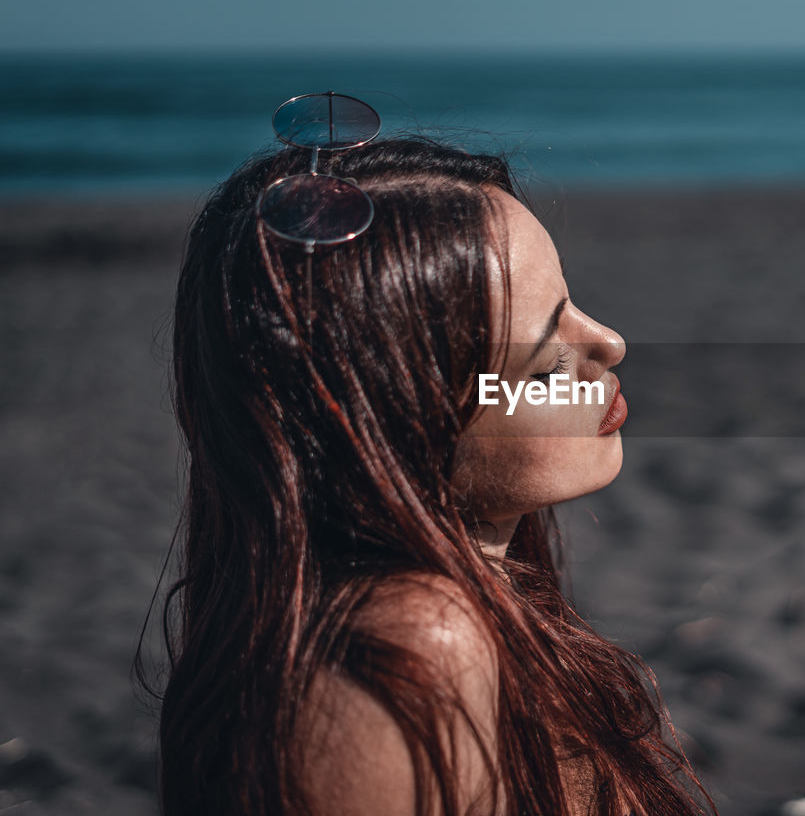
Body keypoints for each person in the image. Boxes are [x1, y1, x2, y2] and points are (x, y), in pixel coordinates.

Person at [150, 103, 717, 815]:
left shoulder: (462, 605)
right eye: (543, 367)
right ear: (401, 419)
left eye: (574, 304)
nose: (609, 344)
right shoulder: (404, 650)